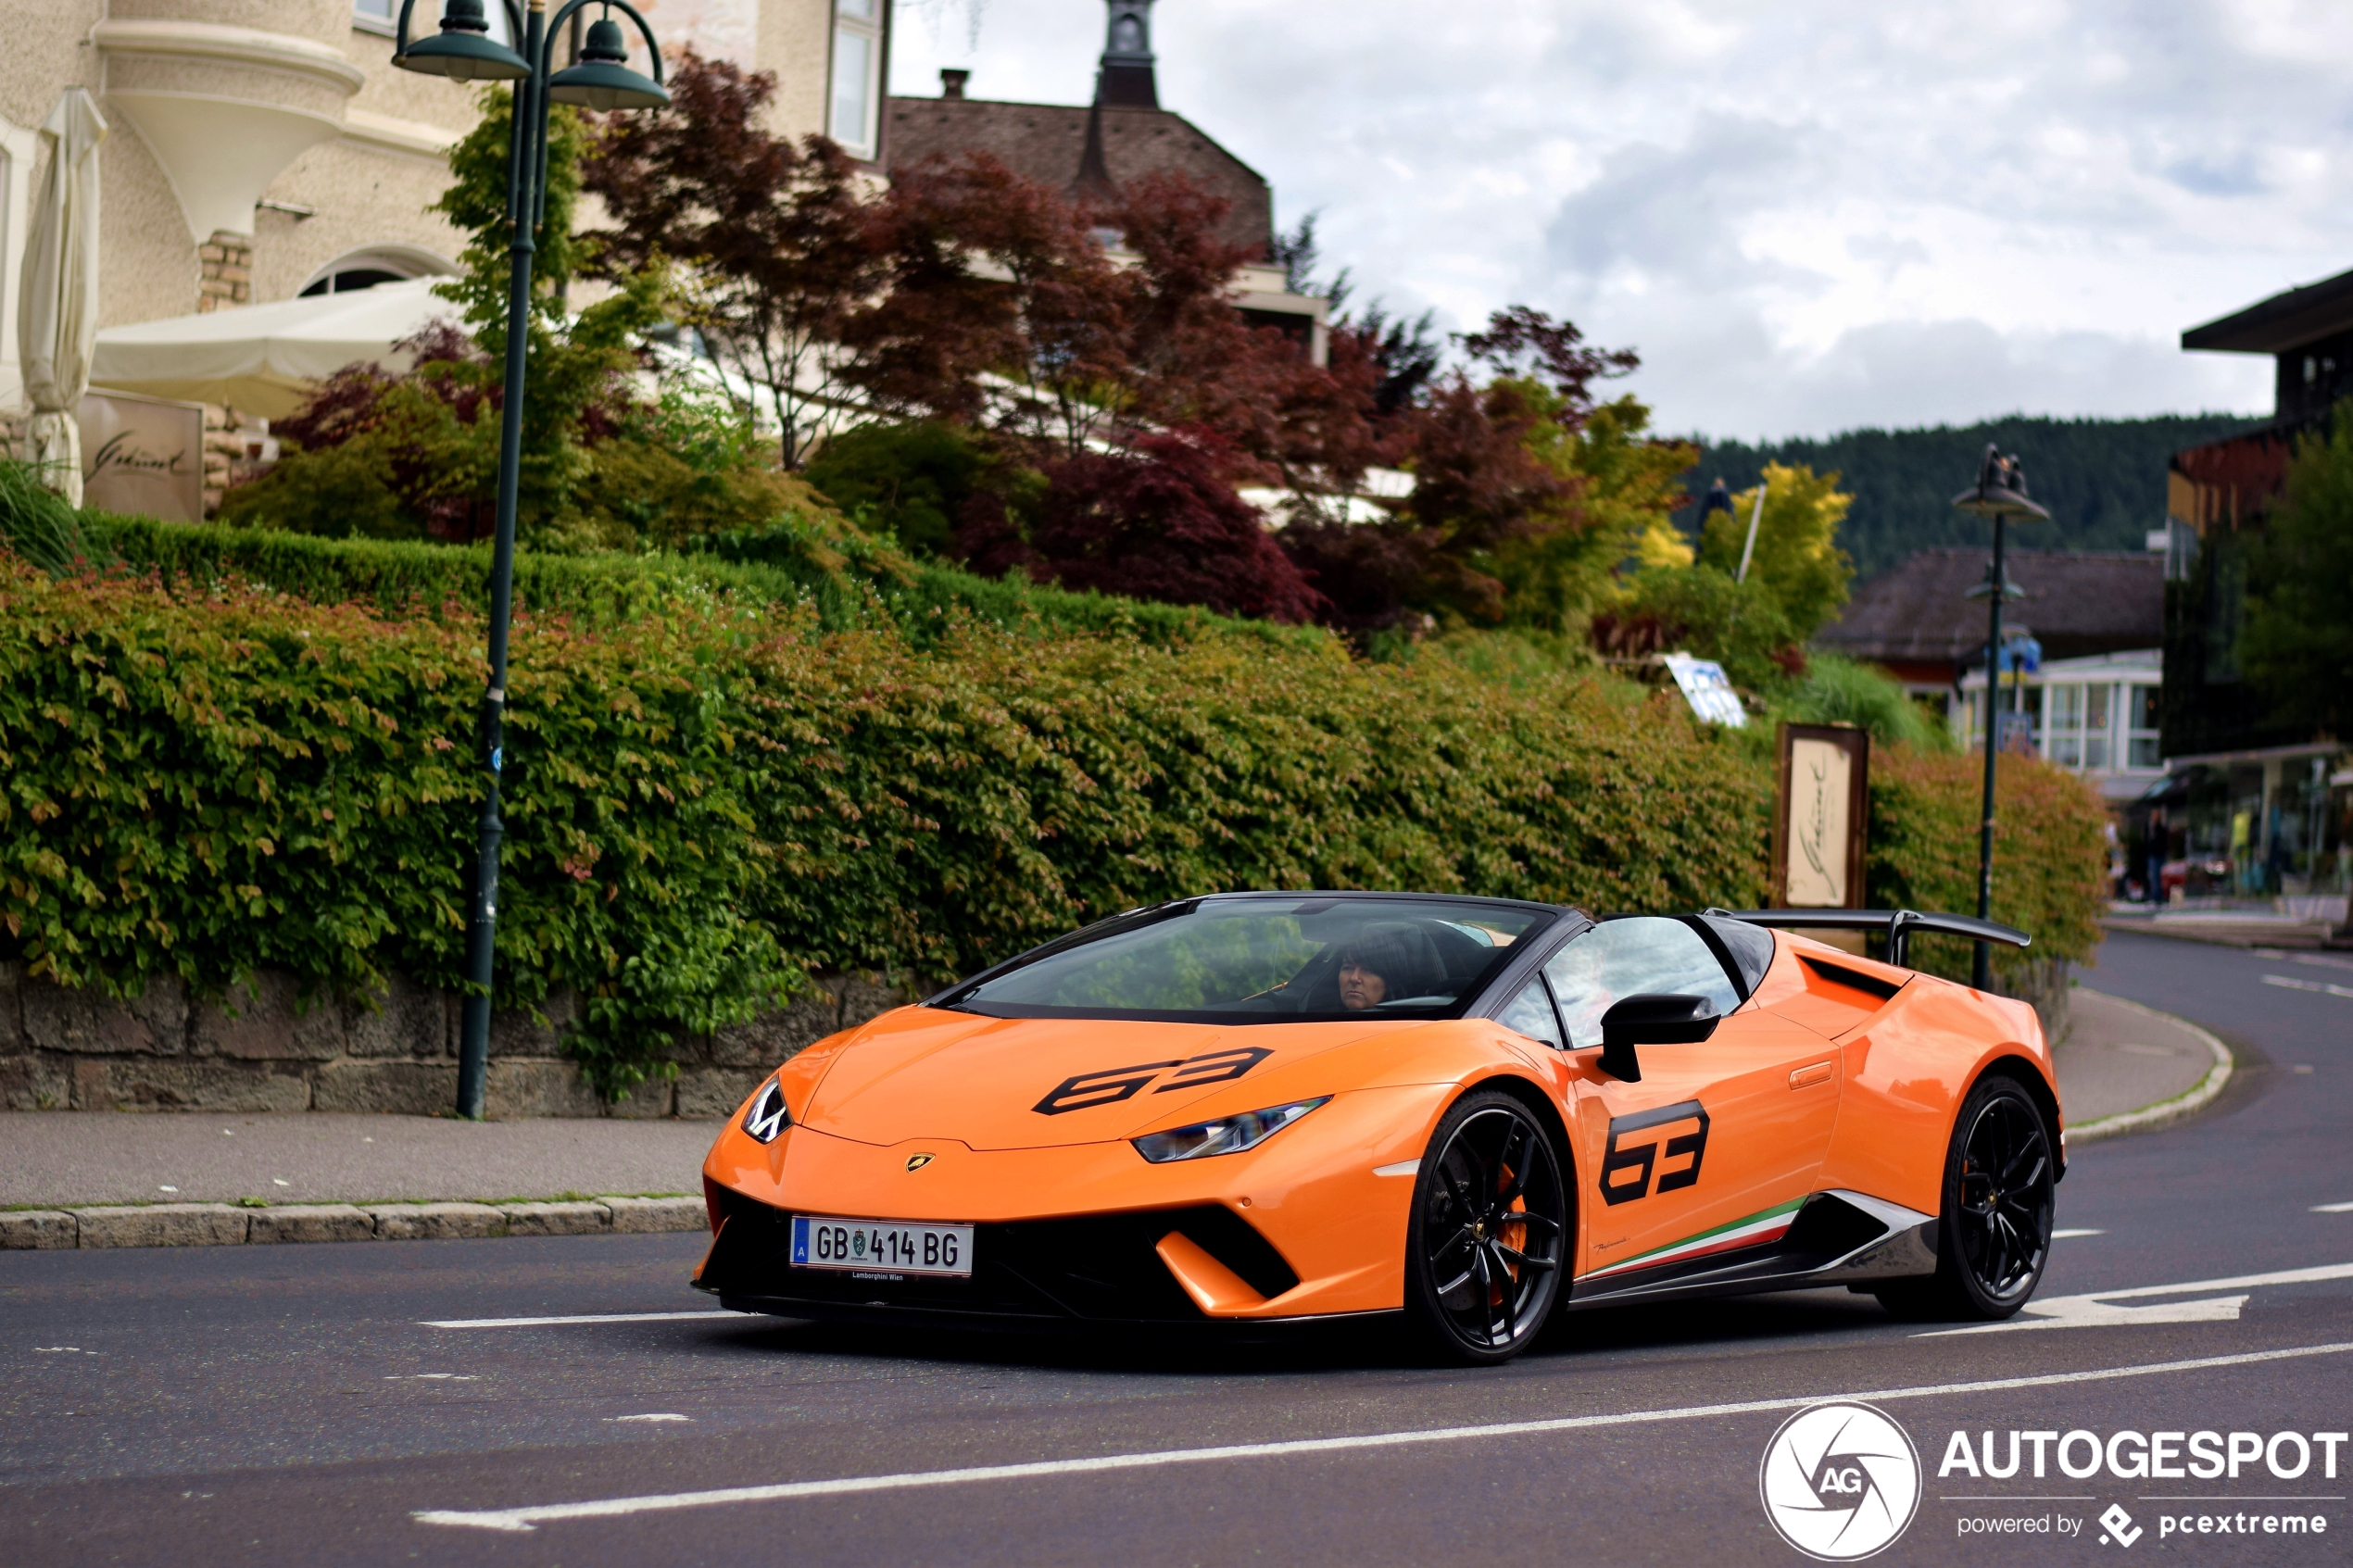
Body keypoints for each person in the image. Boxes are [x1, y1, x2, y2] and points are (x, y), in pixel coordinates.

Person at [1334, 923, 1441, 1010]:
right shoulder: (1322, 1019)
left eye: (1368, 970)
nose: (1354, 978)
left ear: (1391, 980)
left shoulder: (1411, 1029)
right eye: (1347, 968)